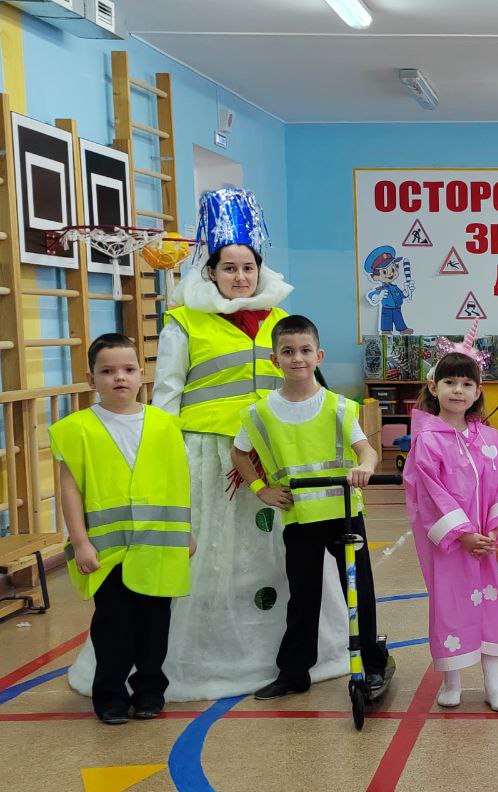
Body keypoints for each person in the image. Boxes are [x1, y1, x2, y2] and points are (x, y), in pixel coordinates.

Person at [66, 187, 348, 702]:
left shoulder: (281, 323)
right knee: (211, 555)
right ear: (211, 271)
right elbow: (168, 393)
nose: (240, 277)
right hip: (208, 455)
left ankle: (294, 653)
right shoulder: (184, 321)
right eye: (229, 268)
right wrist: (162, 456)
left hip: (274, 456)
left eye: (248, 267)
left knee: (283, 554)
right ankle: (200, 656)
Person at [231, 315, 393, 700]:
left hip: (344, 514)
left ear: (318, 356)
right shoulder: (260, 412)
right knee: (303, 596)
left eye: (305, 350)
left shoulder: (338, 407)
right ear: (275, 360)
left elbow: (366, 451)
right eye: (288, 352)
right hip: (299, 518)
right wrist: (261, 489)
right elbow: (238, 453)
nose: (297, 358)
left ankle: (372, 665)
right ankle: (294, 672)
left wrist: (365, 467)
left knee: (359, 592)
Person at [50, 334, 193, 723]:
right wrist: (81, 542)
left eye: (128, 369)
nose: (119, 378)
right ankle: (110, 695)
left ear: (141, 374)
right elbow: (70, 491)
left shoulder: (165, 425)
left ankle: (149, 691)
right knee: (113, 627)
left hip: (158, 548)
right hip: (108, 551)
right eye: (108, 371)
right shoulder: (76, 429)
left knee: (154, 625)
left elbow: (179, 483)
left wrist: (187, 531)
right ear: (91, 378)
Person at [403, 350, 498, 711]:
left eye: (467, 383)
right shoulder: (428, 439)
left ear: (478, 391)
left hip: (484, 543)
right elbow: (429, 494)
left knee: (489, 605)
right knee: (450, 606)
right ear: (433, 387)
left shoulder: (488, 438)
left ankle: (493, 684)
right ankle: (452, 681)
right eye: (450, 382)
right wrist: (463, 534)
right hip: (451, 545)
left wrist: (494, 530)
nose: (458, 390)